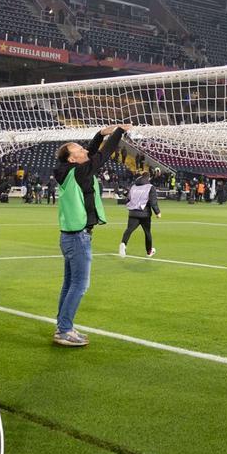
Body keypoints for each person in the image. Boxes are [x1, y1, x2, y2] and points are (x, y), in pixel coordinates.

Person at [52, 124, 130, 347]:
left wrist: (99, 135)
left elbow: (91, 152)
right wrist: (119, 132)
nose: (85, 151)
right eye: (79, 151)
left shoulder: (70, 171)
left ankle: (63, 326)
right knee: (79, 285)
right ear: (72, 160)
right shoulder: (79, 172)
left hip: (70, 237)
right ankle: (64, 330)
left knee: (69, 284)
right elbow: (102, 155)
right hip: (78, 238)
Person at [119, 171, 161, 258]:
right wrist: (157, 212)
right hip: (144, 214)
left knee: (129, 230)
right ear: (148, 178)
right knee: (147, 233)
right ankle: (149, 251)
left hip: (133, 212)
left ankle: (123, 243)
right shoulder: (150, 187)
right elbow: (153, 201)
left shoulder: (134, 186)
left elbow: (128, 199)